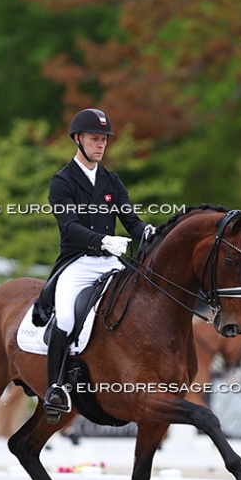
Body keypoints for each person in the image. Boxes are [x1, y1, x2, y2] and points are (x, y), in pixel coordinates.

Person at [38, 108, 155, 418]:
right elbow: (69, 226)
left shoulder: (111, 181)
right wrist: (102, 241)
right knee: (64, 318)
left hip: (111, 263)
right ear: (78, 139)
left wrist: (147, 231)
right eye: (94, 139)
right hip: (77, 263)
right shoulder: (62, 181)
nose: (100, 145)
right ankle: (56, 389)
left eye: (104, 140)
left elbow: (130, 221)